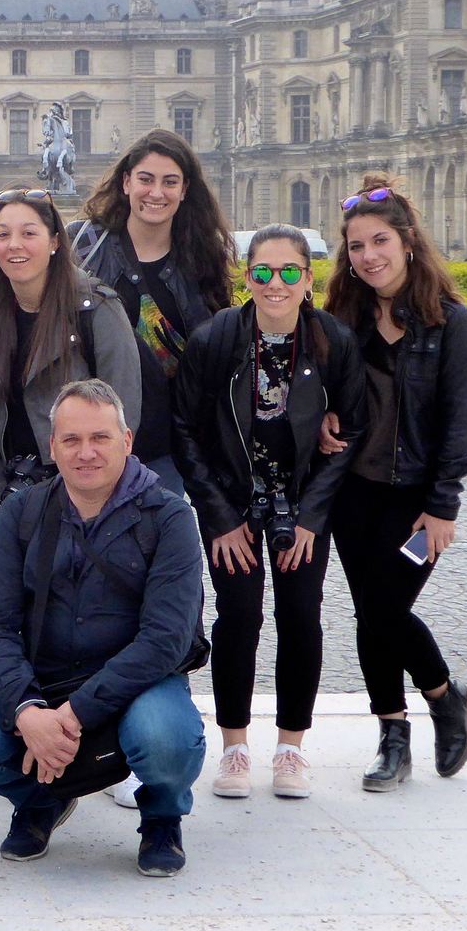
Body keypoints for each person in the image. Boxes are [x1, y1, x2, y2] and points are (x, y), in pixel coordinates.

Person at [0, 380, 208, 877]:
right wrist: (26, 709)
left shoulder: (170, 517)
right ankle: (41, 798)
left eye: (100, 438)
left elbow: (166, 639)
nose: (86, 453)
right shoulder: (21, 511)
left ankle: (162, 815)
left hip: (141, 681)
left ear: (126, 440)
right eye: (72, 440)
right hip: (45, 676)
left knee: (165, 739)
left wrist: (75, 713)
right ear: (52, 446)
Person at [172, 223, 365, 801]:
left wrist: (311, 520)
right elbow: (185, 432)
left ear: (308, 280)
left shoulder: (333, 341)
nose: (274, 283)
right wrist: (218, 517)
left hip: (301, 500)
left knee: (301, 616)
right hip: (231, 497)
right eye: (262, 271)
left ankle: (290, 748)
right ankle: (234, 747)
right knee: (237, 617)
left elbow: (351, 432)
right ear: (246, 277)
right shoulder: (216, 339)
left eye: (288, 272)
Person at [321, 175, 467, 789]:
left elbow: (460, 422)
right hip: (353, 494)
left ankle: (442, 695)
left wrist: (443, 506)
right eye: (357, 246)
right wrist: (324, 417)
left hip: (417, 500)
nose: (369, 256)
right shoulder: (343, 318)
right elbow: (321, 393)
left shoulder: (448, 321)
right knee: (370, 613)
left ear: (408, 242)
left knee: (386, 607)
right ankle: (393, 733)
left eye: (379, 241)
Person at [70, 131, 235, 493]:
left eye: (169, 182)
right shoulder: (83, 246)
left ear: (185, 189)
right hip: (94, 441)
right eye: (146, 179)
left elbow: (222, 346)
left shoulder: (204, 256)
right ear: (126, 182)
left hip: (173, 446)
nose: (156, 193)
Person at [0, 188, 141, 506]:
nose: (13, 244)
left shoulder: (97, 309)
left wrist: (93, 497)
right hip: (18, 493)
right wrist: (0, 489)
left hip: (87, 493)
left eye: (28, 233)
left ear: (55, 242)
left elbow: (124, 410)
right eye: (2, 235)